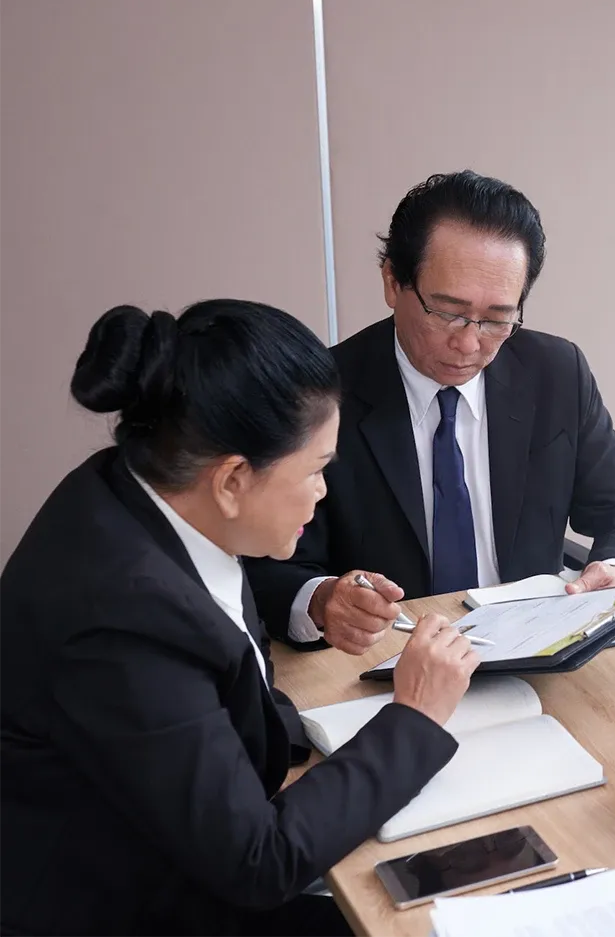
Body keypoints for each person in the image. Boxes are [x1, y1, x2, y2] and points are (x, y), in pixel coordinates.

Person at [0, 301, 480, 936]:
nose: (323, 492)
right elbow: (259, 864)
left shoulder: (141, 489)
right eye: (316, 470)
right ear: (231, 480)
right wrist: (414, 717)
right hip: (126, 905)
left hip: (174, 848)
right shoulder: (123, 622)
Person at [247, 171, 615, 654]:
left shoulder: (556, 372)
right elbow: (267, 568)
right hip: (387, 658)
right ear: (392, 282)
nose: (468, 344)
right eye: (447, 312)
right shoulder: (317, 393)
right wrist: (323, 601)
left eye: (496, 319)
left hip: (532, 648)